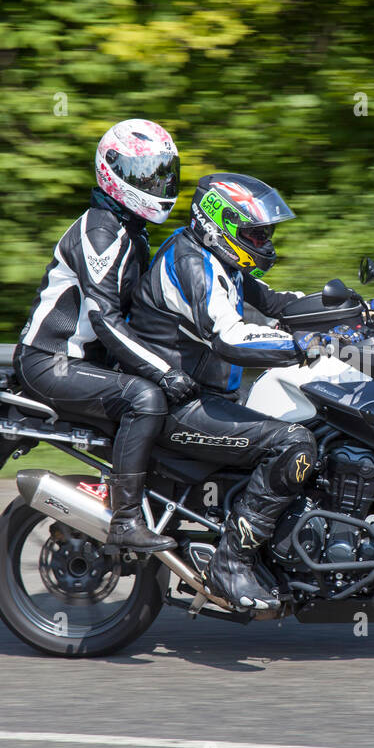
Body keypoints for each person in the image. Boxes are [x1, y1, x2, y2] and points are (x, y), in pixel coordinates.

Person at [130, 173, 323, 610]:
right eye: (255, 233)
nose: (264, 242)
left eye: (265, 233)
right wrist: (302, 346)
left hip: (205, 398)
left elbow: (279, 304)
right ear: (221, 224)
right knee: (295, 445)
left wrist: (352, 311)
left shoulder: (221, 261)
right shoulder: (192, 262)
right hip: (179, 404)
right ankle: (231, 563)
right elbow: (231, 338)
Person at [13, 118, 195, 554]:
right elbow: (106, 322)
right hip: (51, 360)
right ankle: (127, 520)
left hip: (84, 362)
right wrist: (164, 371)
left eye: (163, 173)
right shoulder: (101, 230)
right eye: (146, 174)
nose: (158, 183)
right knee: (145, 397)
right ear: (113, 172)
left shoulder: (129, 229)